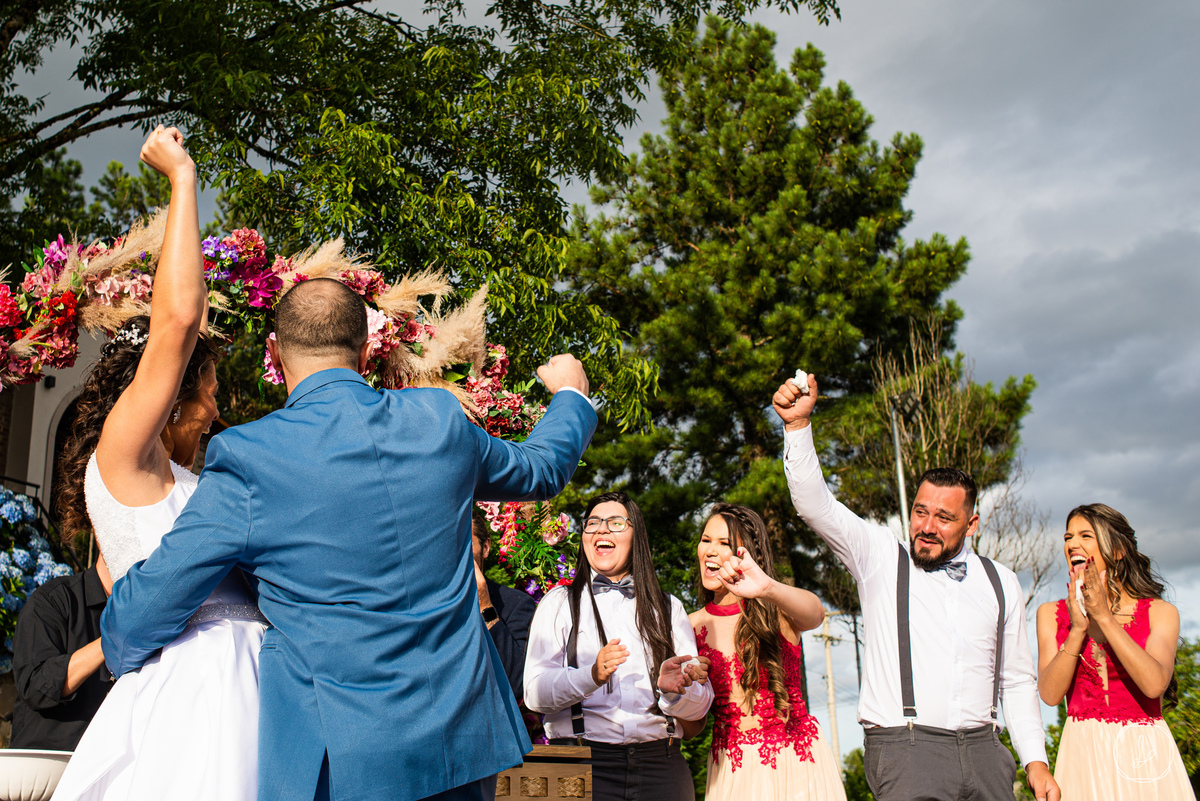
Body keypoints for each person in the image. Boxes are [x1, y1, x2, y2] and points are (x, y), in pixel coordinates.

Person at [99, 275, 598, 801]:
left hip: (338, 758)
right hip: (458, 740)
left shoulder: (250, 457)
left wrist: (115, 640)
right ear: (364, 350)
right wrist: (572, 395)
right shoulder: (439, 419)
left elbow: (148, 608)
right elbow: (541, 468)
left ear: (275, 351)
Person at [51, 126, 268, 801]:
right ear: (166, 398)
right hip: (197, 692)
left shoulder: (190, 481)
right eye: (204, 392)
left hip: (258, 678)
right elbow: (176, 323)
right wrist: (181, 178)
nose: (213, 410)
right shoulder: (126, 458)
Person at [772, 375, 1060, 801]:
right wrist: (798, 428)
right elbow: (816, 504)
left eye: (944, 517)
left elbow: (1015, 680)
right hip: (907, 752)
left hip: (987, 755)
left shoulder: (1001, 581)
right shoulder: (880, 558)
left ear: (972, 524)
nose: (926, 526)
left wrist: (1035, 762)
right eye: (920, 511)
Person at [524, 491, 713, 801]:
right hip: (579, 765)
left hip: (661, 767)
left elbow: (699, 708)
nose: (601, 530)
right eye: (593, 523)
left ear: (636, 536)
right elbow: (534, 693)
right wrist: (591, 675)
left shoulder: (668, 608)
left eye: (615, 522)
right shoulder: (558, 603)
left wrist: (671, 690)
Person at [686, 503, 845, 801]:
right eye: (706, 540)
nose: (710, 550)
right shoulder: (690, 626)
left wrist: (767, 588)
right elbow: (692, 726)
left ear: (747, 556)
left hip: (795, 763)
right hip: (732, 770)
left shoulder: (777, 610)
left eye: (724, 543)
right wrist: (682, 692)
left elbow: (815, 615)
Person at [1036, 503, 1195, 799]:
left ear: (1118, 550)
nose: (1072, 544)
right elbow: (1049, 694)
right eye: (1068, 537)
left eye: (1085, 535)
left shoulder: (1161, 612)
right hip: (1082, 753)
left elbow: (1154, 684)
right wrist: (1077, 630)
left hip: (1144, 754)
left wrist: (1105, 618)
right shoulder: (1050, 613)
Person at [11, 556, 114, 751]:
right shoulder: (53, 599)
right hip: (48, 766)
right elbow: (36, 687)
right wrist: (111, 640)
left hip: (111, 768)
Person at [471, 511, 538, 699]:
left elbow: (517, 683)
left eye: (466, 543)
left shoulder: (514, 604)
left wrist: (485, 606)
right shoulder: (426, 603)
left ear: (485, 547)